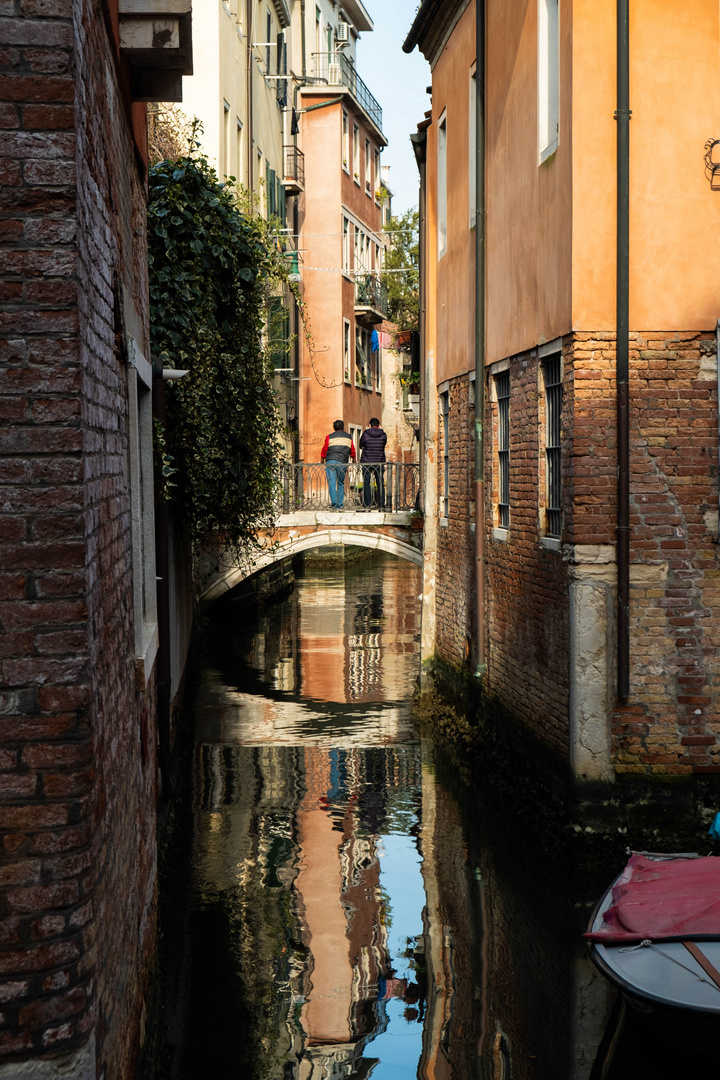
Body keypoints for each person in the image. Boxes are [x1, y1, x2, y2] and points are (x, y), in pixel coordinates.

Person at [320, 419, 356, 509]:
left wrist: (322, 458)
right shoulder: (349, 437)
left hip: (330, 461)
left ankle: (334, 503)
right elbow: (352, 450)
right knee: (340, 483)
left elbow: (324, 449)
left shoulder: (329, 437)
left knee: (332, 483)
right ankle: (340, 504)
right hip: (342, 462)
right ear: (343, 427)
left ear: (334, 428)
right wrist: (354, 459)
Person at [359, 417, 387, 509]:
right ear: (378, 425)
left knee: (366, 482)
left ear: (370, 425)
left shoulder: (365, 434)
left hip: (367, 461)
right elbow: (383, 444)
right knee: (380, 483)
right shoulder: (383, 435)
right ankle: (381, 504)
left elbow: (360, 445)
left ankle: (367, 504)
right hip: (379, 462)